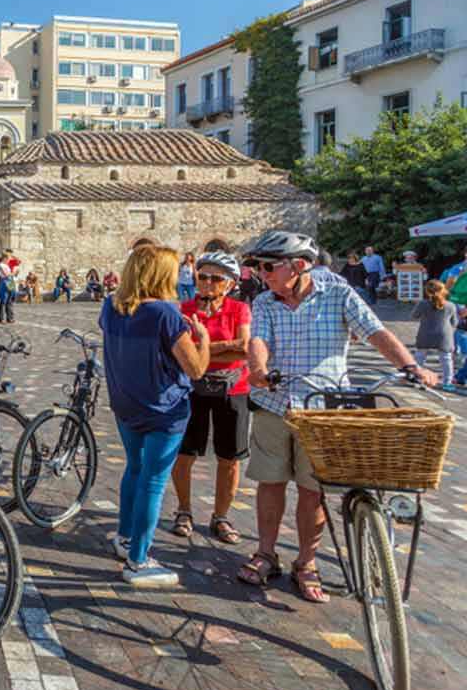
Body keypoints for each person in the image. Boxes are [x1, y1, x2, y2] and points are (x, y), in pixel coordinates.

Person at [239, 231, 435, 602]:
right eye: (258, 266)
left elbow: (375, 332)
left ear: (298, 266)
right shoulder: (264, 301)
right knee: (270, 482)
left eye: (269, 266)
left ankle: (306, 562)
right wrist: (259, 369)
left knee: (313, 492)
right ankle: (266, 552)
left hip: (322, 408)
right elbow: (258, 341)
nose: (262, 273)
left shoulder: (339, 293)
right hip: (275, 401)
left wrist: (410, 367)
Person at [100, 245, 210, 587]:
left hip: (126, 404)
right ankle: (139, 559)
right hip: (163, 408)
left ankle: (125, 537)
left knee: (134, 469)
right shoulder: (166, 314)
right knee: (153, 480)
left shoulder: (111, 306)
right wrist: (202, 339)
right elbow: (195, 369)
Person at [170, 252, 251, 544]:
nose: (206, 283)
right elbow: (182, 350)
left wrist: (204, 345)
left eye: (215, 278)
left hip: (234, 388)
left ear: (229, 284)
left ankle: (221, 516)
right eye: (202, 276)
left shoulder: (238, 309)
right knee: (185, 453)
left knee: (229, 457)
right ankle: (184, 510)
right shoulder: (186, 307)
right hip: (194, 386)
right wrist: (223, 348)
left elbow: (245, 347)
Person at [412, 279, 457, 392]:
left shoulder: (423, 303)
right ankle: (447, 383)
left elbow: (414, 316)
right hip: (444, 335)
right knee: (446, 360)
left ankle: (417, 379)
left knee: (419, 357)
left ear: (427, 291)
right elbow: (454, 322)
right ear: (443, 291)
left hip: (425, 334)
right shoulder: (451, 305)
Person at [0, 251, 16, 323]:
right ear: (4, 258)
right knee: (3, 300)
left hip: (10, 282)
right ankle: (1, 317)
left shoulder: (7, 265)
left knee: (10, 300)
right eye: (8, 258)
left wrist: (13, 274)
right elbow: (6, 274)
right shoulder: (0, 265)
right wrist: (13, 273)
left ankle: (9, 317)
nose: (9, 260)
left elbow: (10, 275)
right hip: (4, 282)